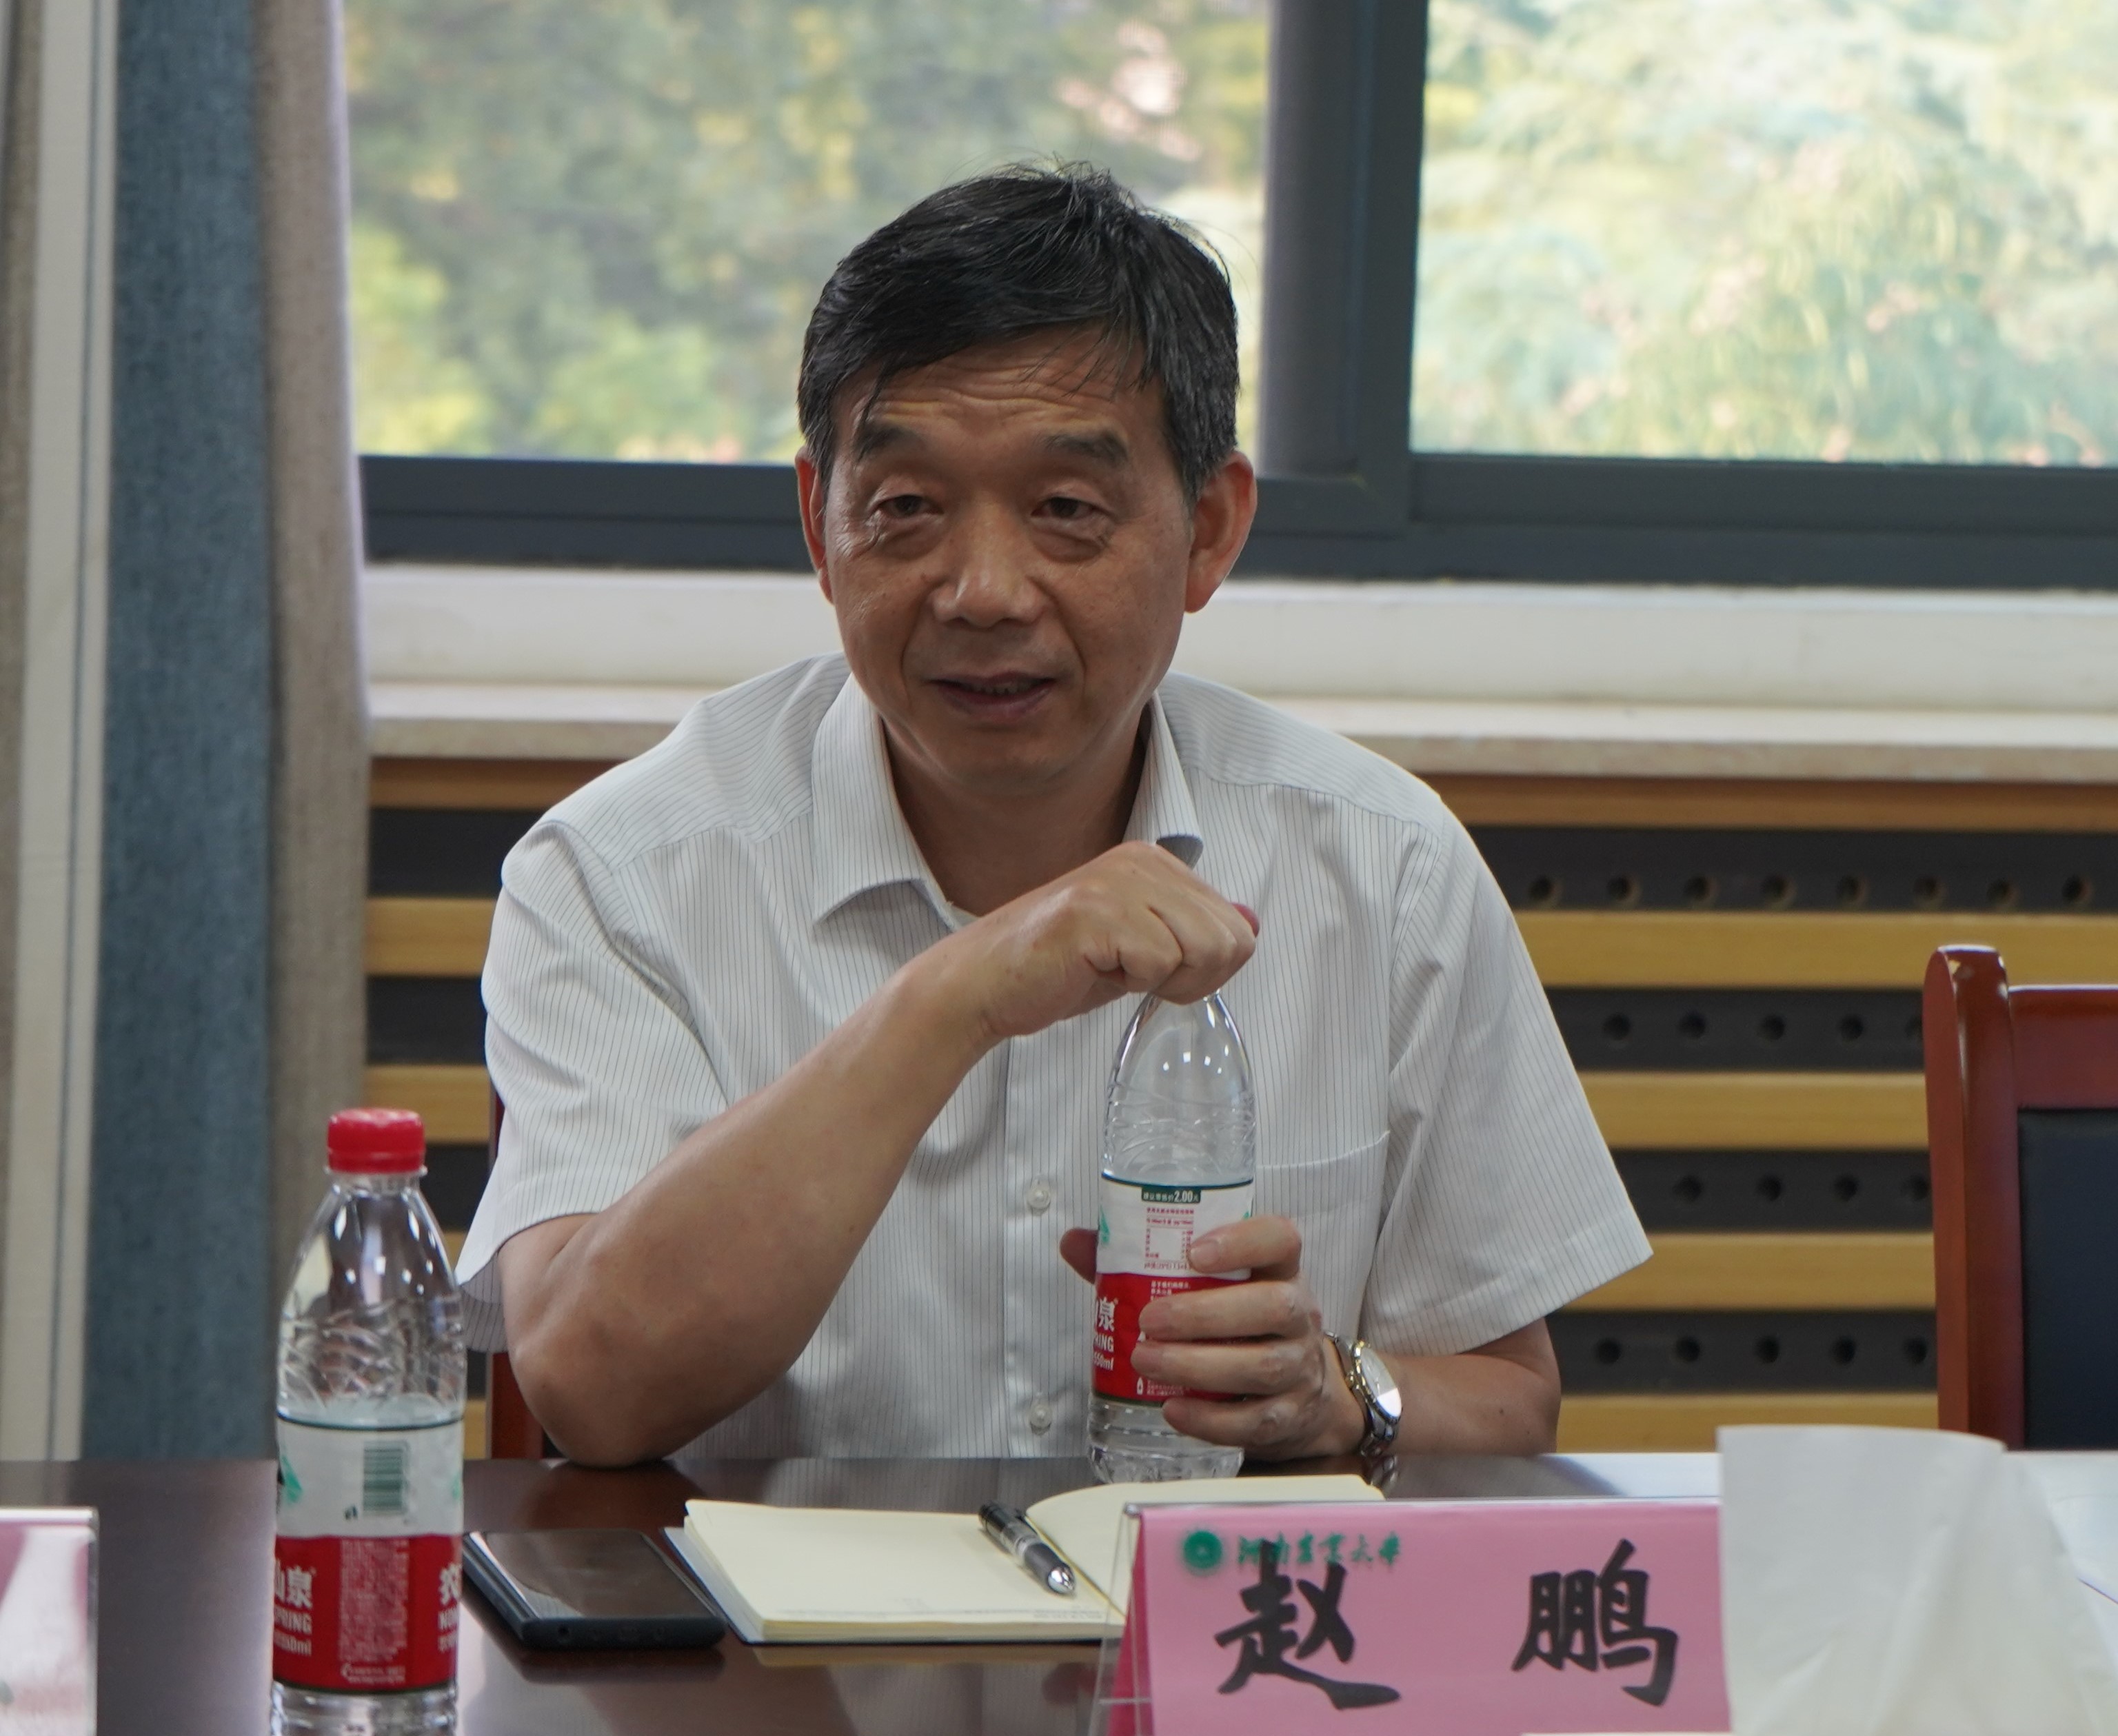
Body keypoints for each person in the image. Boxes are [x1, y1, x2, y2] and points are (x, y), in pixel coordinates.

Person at [458, 163, 1648, 1468]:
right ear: (818, 524)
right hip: (763, 1608)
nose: (982, 590)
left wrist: (1334, 1395)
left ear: (1209, 530)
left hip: (1202, 1601)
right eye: (906, 509)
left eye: (1066, 511)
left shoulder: (1384, 863)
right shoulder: (620, 873)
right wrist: (956, 993)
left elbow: (1507, 1401)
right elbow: (592, 1390)